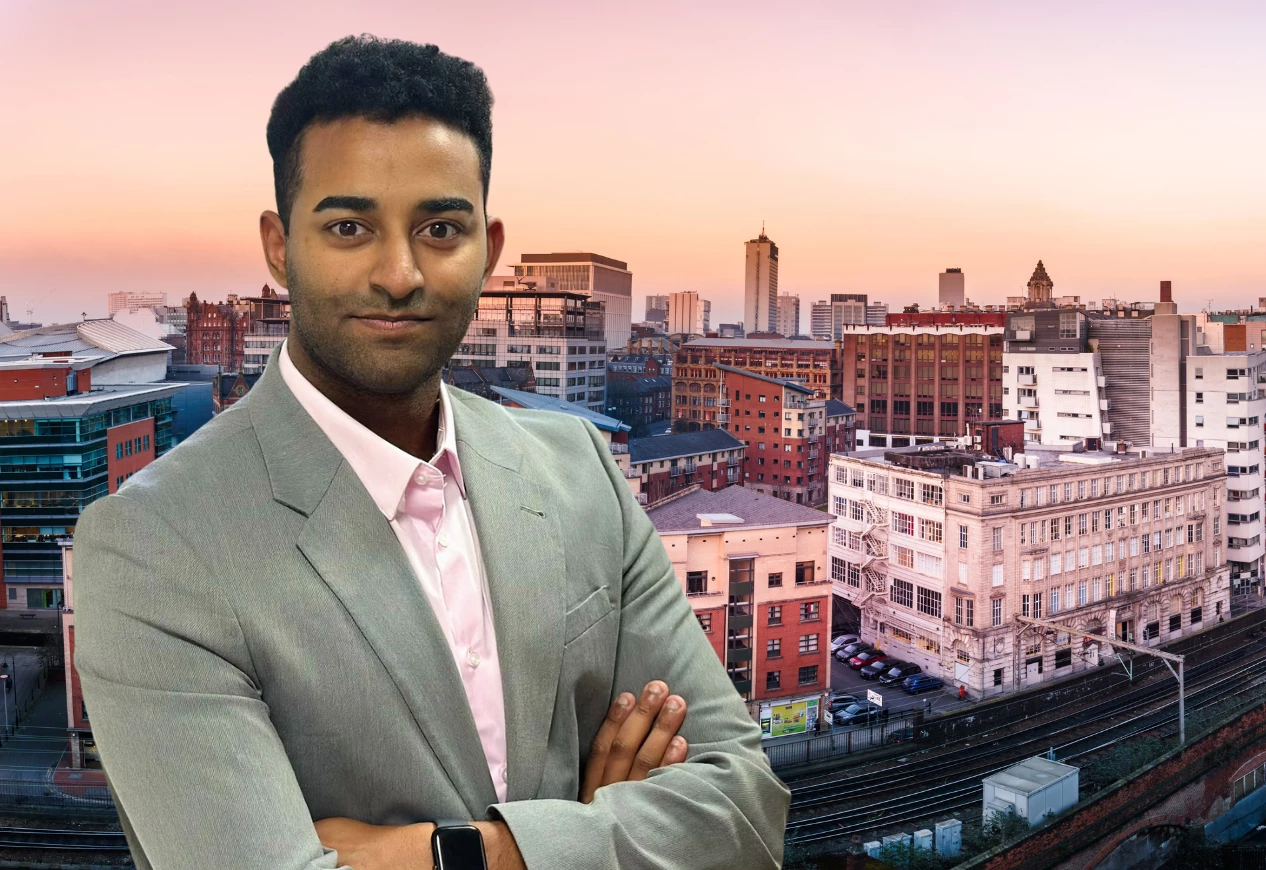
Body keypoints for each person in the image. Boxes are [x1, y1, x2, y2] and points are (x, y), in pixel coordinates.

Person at [71, 35, 787, 870]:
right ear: (277, 245)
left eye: (440, 228)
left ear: (489, 244)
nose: (400, 273)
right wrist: (587, 829)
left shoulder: (580, 467)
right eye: (348, 227)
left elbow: (744, 812)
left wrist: (469, 853)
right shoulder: (154, 547)